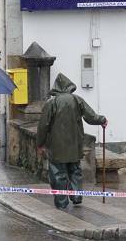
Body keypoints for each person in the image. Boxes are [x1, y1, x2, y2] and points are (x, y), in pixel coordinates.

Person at [36, 73, 107, 209]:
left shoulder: (51, 103)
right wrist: (102, 120)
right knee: (75, 170)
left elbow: (43, 125)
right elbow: (90, 116)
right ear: (69, 87)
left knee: (58, 173)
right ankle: (76, 196)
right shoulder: (77, 100)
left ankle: (62, 202)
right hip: (75, 144)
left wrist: (40, 143)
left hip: (56, 146)